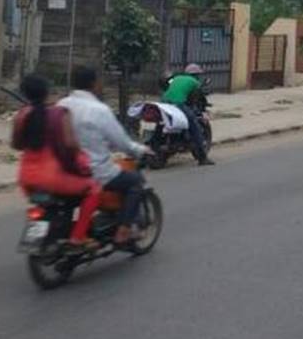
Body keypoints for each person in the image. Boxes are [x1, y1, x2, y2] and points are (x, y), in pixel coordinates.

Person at [57, 66, 151, 244]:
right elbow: (121, 141)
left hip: (65, 170)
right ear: (94, 84)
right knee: (135, 182)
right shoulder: (99, 110)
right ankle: (124, 229)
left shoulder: (61, 105)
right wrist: (139, 150)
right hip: (95, 171)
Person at [11, 73, 101, 249]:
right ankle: (78, 237)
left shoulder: (21, 116)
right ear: (47, 92)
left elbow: (16, 145)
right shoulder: (59, 113)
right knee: (94, 189)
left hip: (27, 179)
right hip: (53, 177)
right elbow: (70, 144)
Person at [162, 63, 215, 166]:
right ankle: (202, 158)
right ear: (196, 75)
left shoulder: (176, 78)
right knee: (195, 126)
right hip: (178, 104)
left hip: (164, 103)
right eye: (198, 75)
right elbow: (196, 97)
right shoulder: (194, 82)